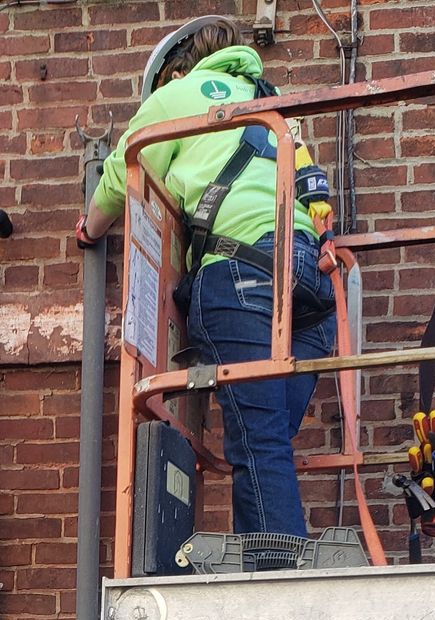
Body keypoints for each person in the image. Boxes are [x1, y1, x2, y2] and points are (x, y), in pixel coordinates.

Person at [78, 15, 339, 541]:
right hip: (310, 285)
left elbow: (121, 172)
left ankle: (274, 579)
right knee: (269, 442)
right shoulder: (274, 107)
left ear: (174, 71)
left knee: (258, 442)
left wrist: (90, 229)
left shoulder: (179, 94)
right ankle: (271, 558)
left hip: (239, 275)